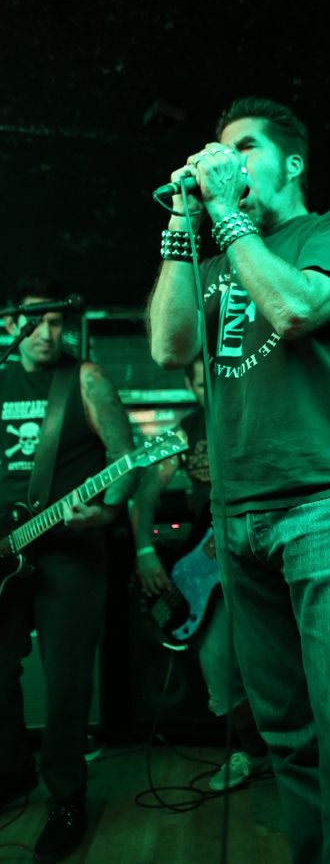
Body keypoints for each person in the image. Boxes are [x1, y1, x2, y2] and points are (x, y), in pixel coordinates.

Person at [147, 96, 330, 863]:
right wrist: (184, 222)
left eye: (244, 148)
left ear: (291, 163)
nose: (224, 160)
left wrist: (228, 216)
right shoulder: (214, 260)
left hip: (328, 507)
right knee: (289, 741)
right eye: (218, 149)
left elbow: (296, 309)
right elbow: (169, 346)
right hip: (239, 518)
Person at [0, 274, 137, 863]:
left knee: (66, 684)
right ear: (11, 324)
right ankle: (12, 774)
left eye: (57, 322)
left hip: (69, 550)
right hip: (4, 555)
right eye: (36, 321)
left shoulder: (85, 379)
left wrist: (102, 514)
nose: (47, 333)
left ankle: (67, 796)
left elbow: (127, 459)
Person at [130, 356, 269, 790]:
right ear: (192, 388)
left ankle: (298, 755)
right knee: (216, 664)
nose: (211, 388)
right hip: (207, 562)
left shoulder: (259, 415)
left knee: (276, 659)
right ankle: (254, 753)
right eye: (201, 383)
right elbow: (146, 492)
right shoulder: (185, 431)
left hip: (259, 555)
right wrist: (145, 551)